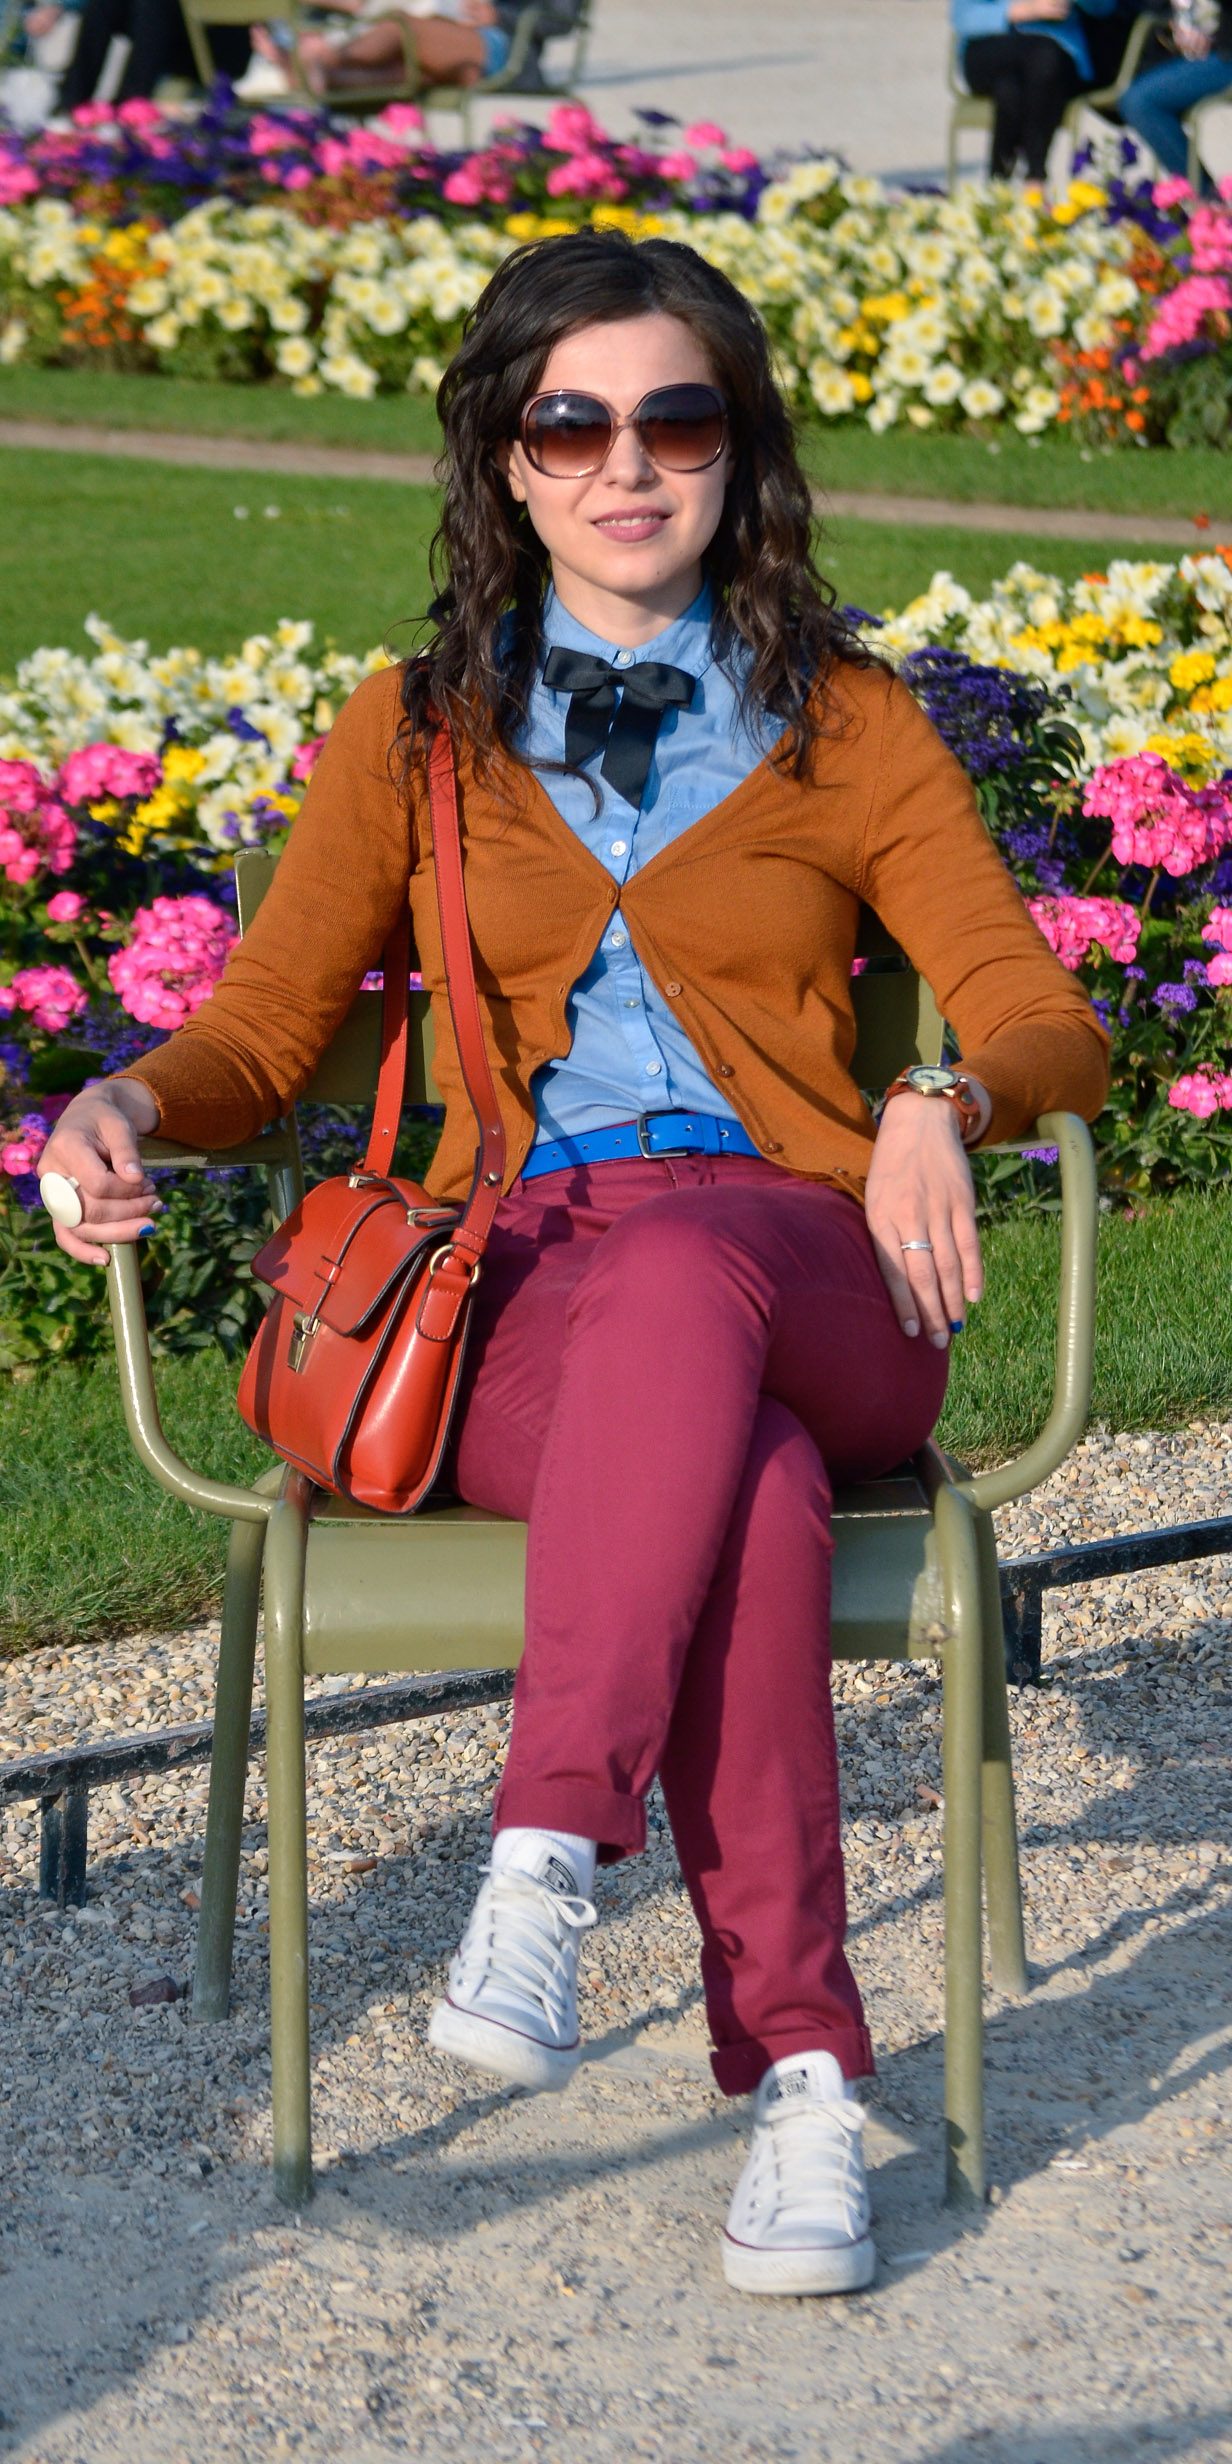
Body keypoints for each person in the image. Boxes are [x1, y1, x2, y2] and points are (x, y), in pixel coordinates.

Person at [35, 231, 1108, 2300]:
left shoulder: (847, 723)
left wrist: (938, 1093)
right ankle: (802, 2074)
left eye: (676, 417)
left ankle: (549, 1839)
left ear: (740, 453)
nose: (629, 462)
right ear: (507, 462)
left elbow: (1033, 1009)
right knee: (754, 1490)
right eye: (574, 422)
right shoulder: (416, 728)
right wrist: (128, 1107)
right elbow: (264, 1028)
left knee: (698, 1265)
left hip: (810, 1264)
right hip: (518, 1292)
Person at [952, 0, 1121, 179]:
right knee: (1043, 59)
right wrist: (1024, 10)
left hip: (1055, 52)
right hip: (992, 46)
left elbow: (1103, 8)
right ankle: (1035, 178)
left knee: (1011, 87)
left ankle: (998, 182)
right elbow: (963, 17)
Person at [296, 0, 517, 98]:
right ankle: (321, 74)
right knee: (404, 71)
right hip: (446, 56)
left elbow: (551, 18)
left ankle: (326, 58)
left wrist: (499, 15)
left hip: (499, 46)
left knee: (400, 26)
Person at [1121, 0, 1232, 190]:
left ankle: (1207, 205)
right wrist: (1179, 18)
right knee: (1137, 102)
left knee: (1142, 102)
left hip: (1225, 51)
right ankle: (1208, 207)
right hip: (1208, 52)